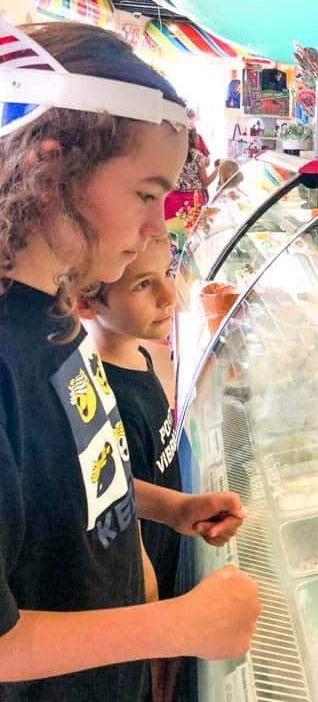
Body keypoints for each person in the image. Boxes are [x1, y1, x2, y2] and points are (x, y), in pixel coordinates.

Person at [0, 20, 260, 701]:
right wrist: (175, 626)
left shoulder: (53, 313)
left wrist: (166, 507)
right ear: (48, 168)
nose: (158, 228)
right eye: (147, 194)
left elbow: (61, 482)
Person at [76, 237, 185, 700]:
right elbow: (117, 496)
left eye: (168, 273)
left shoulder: (139, 354)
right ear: (85, 302)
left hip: (171, 544)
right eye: (144, 284)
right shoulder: (108, 392)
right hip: (148, 586)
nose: (168, 296)